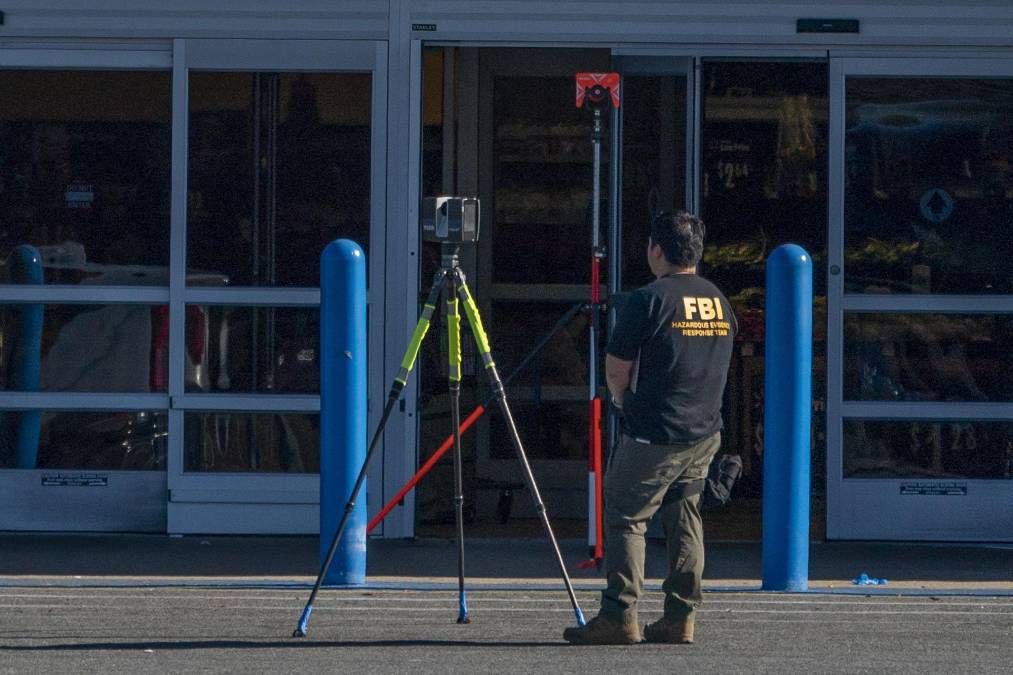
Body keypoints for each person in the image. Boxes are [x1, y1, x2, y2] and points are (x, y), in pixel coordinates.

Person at [564, 211, 736, 645]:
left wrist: (625, 404)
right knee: (685, 517)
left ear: (656, 249)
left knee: (626, 516)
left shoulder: (648, 299)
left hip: (655, 431)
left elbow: (616, 368)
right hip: (703, 431)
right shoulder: (718, 299)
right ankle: (680, 616)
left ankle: (619, 614)